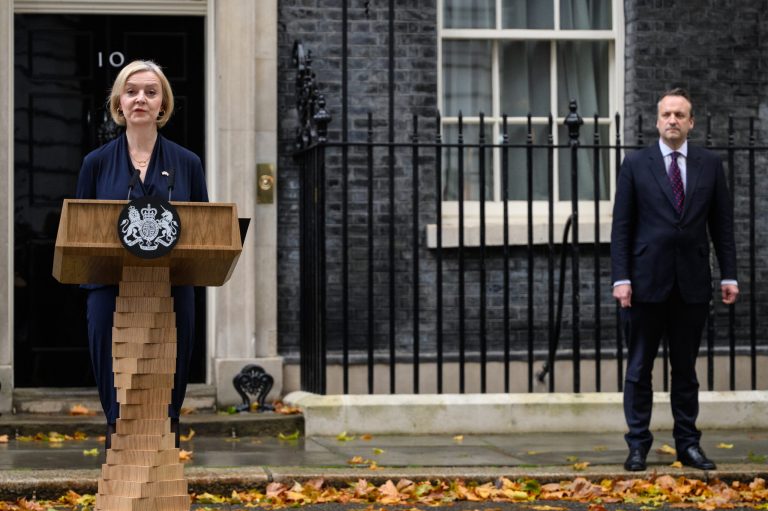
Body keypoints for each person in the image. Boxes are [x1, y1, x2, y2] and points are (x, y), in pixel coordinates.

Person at [76, 60, 208, 448]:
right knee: (116, 379)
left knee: (167, 379)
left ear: (163, 103)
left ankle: (164, 445)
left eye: (151, 92)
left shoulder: (188, 163)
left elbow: (204, 230)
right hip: (109, 288)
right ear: (118, 101)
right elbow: (81, 231)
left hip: (172, 287)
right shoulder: (95, 163)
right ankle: (120, 444)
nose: (140, 99)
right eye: (132, 91)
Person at [611, 88, 738, 472]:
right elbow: (622, 227)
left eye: (680, 115)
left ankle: (688, 445)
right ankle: (637, 446)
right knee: (639, 369)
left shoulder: (709, 164)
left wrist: (728, 274)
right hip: (645, 284)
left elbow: (722, 225)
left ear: (691, 122)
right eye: (666, 114)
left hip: (692, 284)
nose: (672, 121)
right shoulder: (635, 163)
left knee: (685, 370)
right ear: (656, 120)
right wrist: (621, 278)